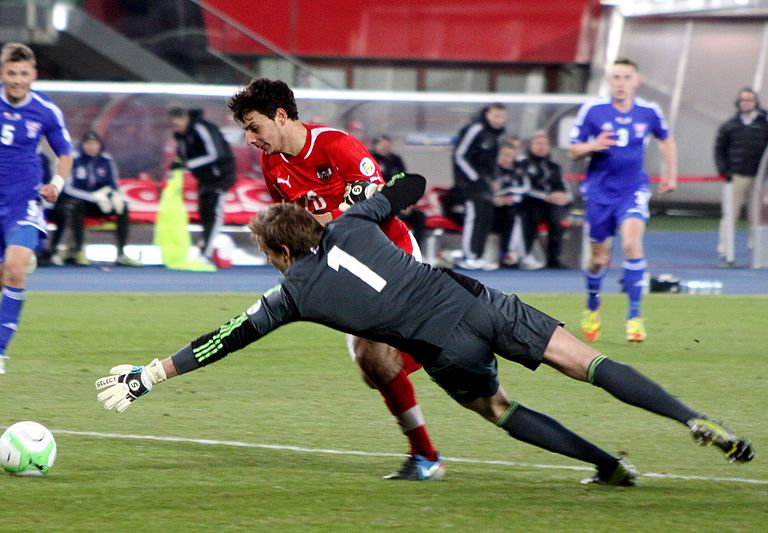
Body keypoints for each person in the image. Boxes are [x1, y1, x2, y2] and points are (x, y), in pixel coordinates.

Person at [95, 173, 754, 486]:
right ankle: (690, 417)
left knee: (499, 407)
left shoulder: (292, 291)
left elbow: (221, 340)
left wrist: (147, 375)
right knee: (585, 359)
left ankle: (610, 465)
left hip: (444, 347)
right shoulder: (352, 224)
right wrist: (382, 191)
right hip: (475, 299)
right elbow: (408, 187)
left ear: (281, 254)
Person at [226, 78, 443, 481]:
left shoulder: (336, 146)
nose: (251, 138)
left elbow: (380, 207)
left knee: (378, 359)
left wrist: (323, 221)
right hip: (342, 265)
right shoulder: (272, 163)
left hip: (387, 254)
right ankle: (440, 349)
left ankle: (426, 456)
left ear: (280, 116)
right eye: (245, 131)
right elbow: (293, 227)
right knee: (372, 368)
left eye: (254, 126)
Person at [0, 42, 73, 374]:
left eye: (23, 74)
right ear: (1, 73)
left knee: (14, 269)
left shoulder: (45, 110)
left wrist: (56, 185)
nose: (17, 80)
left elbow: (65, 154)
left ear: (33, 75)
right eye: (11, 73)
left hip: (24, 201)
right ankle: (19, 257)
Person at [568, 58, 677, 343]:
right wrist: (593, 145)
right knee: (598, 259)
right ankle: (593, 304)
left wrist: (670, 174)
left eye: (626, 77)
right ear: (609, 80)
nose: (621, 82)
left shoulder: (648, 111)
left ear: (636, 81)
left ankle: (634, 316)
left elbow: (666, 140)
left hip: (633, 189)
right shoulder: (593, 110)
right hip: (599, 193)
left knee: (631, 243)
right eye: (616, 77)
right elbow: (572, 150)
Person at [47, 130, 142, 266]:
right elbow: (68, 188)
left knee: (123, 207)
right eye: (88, 143)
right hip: (79, 202)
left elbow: (113, 184)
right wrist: (92, 197)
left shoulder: (106, 161)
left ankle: (121, 253)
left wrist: (114, 196)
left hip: (101, 203)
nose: (92, 147)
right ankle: (79, 250)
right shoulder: (75, 160)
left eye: (94, 143)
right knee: (77, 207)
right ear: (83, 145)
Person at [167, 104, 236, 262]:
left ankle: (206, 253)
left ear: (185, 119)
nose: (176, 129)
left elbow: (215, 154)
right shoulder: (182, 135)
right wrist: (178, 164)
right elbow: (183, 155)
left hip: (220, 177)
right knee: (204, 212)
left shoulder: (201, 128)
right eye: (173, 126)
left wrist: (187, 164)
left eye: (177, 124)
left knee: (213, 213)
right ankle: (204, 247)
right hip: (204, 179)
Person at [714, 87, 768, 267]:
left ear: (756, 103)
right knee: (730, 215)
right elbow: (719, 149)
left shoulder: (764, 124)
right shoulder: (730, 125)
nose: (746, 103)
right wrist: (724, 171)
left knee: (758, 217)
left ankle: (757, 251)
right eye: (743, 100)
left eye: (750, 100)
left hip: (759, 179)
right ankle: (725, 252)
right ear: (738, 103)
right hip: (736, 177)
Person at [452, 103, 508, 270]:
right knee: (474, 217)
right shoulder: (475, 129)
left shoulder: (497, 135)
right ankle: (468, 256)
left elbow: (492, 162)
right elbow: (459, 155)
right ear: (487, 114)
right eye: (496, 116)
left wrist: (494, 178)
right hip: (470, 184)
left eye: (502, 116)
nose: (499, 120)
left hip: (486, 184)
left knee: (486, 217)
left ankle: (478, 255)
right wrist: (475, 178)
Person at [518, 131, 571, 270]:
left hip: (551, 204)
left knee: (558, 218)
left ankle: (554, 259)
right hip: (530, 202)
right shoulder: (522, 163)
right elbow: (524, 188)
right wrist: (546, 197)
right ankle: (525, 255)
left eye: (545, 144)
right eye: (538, 144)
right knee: (530, 213)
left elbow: (562, 185)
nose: (541, 147)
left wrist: (563, 197)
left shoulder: (553, 166)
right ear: (531, 145)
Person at [370, 134, 426, 245]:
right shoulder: (370, 159)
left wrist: (407, 203)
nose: (384, 147)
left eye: (386, 145)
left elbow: (404, 182)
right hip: (378, 202)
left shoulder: (396, 160)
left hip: (397, 203)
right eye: (381, 145)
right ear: (375, 145)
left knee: (419, 216)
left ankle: (414, 249)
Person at [489, 140, 527, 267]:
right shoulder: (491, 171)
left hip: (510, 209)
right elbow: (487, 193)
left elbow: (525, 188)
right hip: (491, 212)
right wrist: (499, 197)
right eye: (504, 155)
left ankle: (513, 254)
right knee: (512, 214)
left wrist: (508, 195)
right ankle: (509, 253)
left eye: (510, 156)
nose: (507, 159)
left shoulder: (517, 172)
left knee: (518, 213)